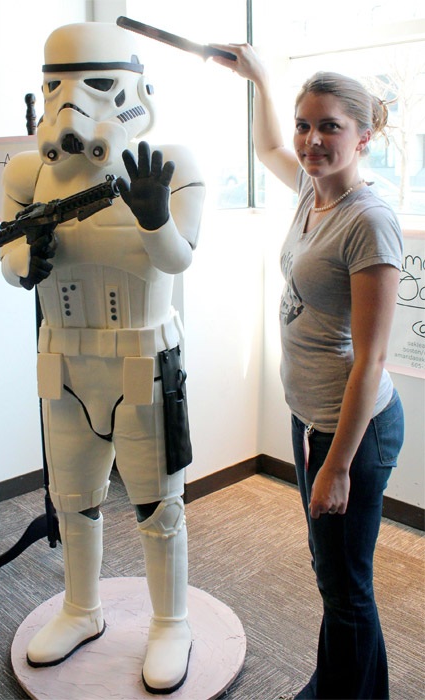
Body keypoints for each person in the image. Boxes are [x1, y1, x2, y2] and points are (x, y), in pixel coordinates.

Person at [0, 22, 205, 694]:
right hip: (63, 360)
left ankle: (171, 622)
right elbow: (10, 257)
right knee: (73, 500)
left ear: (134, 87)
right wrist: (29, 260)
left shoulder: (169, 163)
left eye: (96, 84)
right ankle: (81, 609)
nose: (73, 105)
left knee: (159, 506)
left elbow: (178, 259)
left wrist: (155, 218)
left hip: (142, 358)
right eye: (56, 87)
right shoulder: (28, 172)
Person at [211, 44, 404, 699]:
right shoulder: (309, 192)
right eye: (304, 125)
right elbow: (269, 145)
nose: (311, 140)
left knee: (345, 587)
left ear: (363, 137)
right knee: (334, 576)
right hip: (313, 419)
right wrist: (261, 80)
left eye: (329, 127)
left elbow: (371, 359)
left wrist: (338, 465)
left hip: (353, 431)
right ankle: (343, 686)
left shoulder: (368, 222)